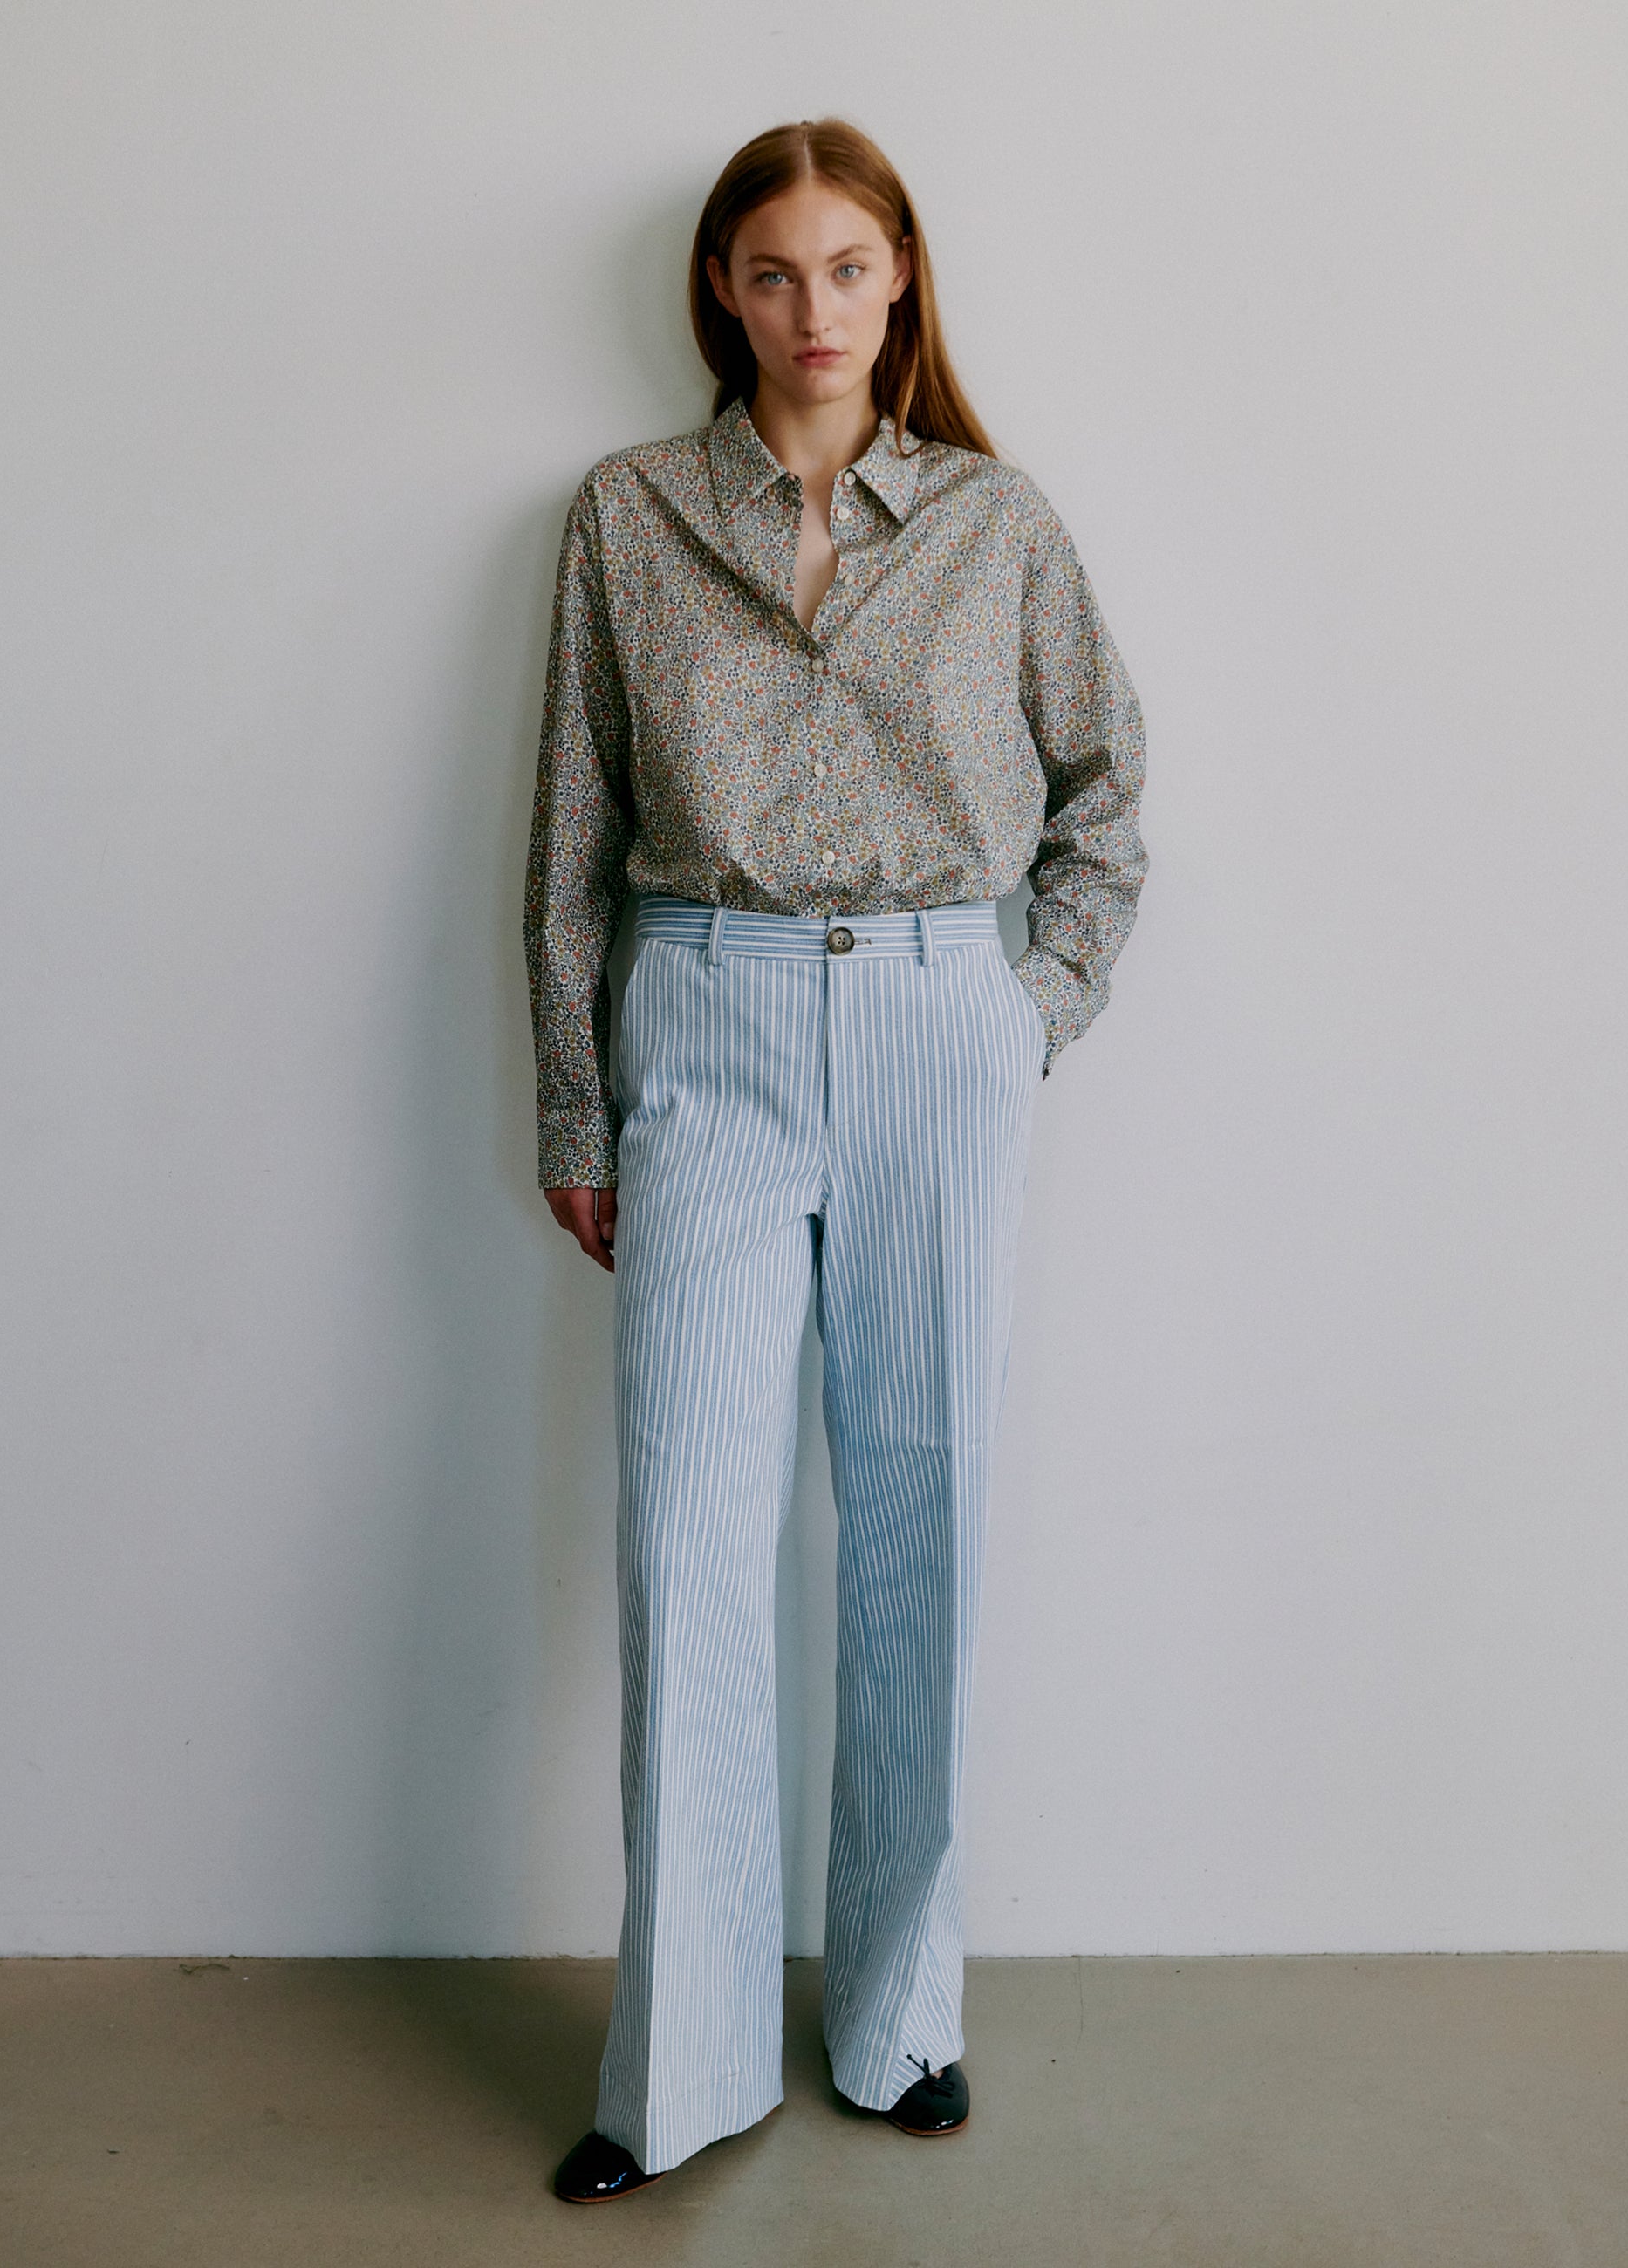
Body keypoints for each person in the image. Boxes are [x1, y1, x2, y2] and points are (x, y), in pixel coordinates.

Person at [522, 116, 1146, 2203]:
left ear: (903, 285)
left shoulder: (992, 521)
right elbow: (569, 847)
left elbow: (1104, 797)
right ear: (722, 286)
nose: (812, 312)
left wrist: (1024, 1010)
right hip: (698, 1022)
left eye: (849, 271)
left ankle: (900, 2023)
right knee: (689, 1535)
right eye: (772, 272)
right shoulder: (622, 520)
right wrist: (576, 1104)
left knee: (920, 1519)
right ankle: (679, 2066)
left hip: (933, 1030)